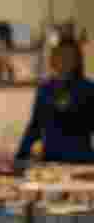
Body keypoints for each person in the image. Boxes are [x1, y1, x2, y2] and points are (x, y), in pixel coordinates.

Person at [15, 37, 94, 166]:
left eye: (69, 56)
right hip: (51, 162)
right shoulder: (44, 89)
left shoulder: (88, 89)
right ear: (53, 59)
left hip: (82, 162)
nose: (64, 60)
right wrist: (19, 158)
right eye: (60, 55)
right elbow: (35, 126)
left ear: (77, 61)